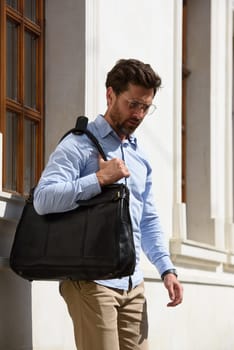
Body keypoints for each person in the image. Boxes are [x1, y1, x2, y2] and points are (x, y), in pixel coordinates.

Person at [33, 58, 183, 350]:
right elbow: (43, 199)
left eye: (146, 107)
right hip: (92, 282)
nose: (139, 114)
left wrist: (167, 269)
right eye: (133, 104)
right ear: (110, 94)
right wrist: (99, 179)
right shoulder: (78, 145)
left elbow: (147, 219)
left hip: (133, 284)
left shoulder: (139, 157)